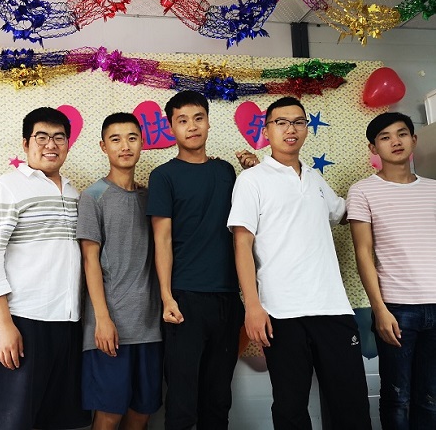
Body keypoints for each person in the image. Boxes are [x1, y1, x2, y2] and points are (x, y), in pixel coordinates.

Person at [227, 96, 372, 429]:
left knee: (351, 407)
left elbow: (344, 213)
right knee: (290, 408)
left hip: (333, 309)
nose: (290, 129)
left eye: (298, 122)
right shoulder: (251, 180)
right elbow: (242, 244)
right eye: (281, 122)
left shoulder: (315, 179)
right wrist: (252, 306)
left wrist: (376, 188)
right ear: (267, 130)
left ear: (306, 129)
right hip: (282, 313)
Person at [0, 107, 91, 430]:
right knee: (9, 422)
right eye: (42, 137)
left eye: (59, 137)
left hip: (67, 323)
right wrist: (4, 325)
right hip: (21, 321)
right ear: (26, 143)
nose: (51, 145)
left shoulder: (74, 193)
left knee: (55, 421)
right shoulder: (7, 187)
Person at [147, 90, 255, 430]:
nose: (192, 126)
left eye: (198, 118)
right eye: (182, 120)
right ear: (171, 128)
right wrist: (167, 297)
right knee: (182, 402)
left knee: (218, 400)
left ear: (208, 122)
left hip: (227, 299)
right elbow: (162, 240)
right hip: (185, 300)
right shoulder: (163, 176)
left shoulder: (226, 171)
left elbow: (246, 226)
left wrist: (255, 172)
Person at [347, 112, 436, 429]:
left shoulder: (433, 189)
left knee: (431, 397)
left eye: (402, 134)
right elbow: (363, 252)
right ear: (373, 148)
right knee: (397, 398)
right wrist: (379, 309)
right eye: (385, 137)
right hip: (396, 309)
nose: (395, 141)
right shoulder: (362, 191)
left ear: (414, 139)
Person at [77, 113, 162, 430]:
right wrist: (102, 319)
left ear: (142, 142)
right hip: (109, 326)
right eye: (115, 139)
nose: (125, 146)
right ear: (103, 146)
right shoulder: (93, 196)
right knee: (109, 414)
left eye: (132, 138)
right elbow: (90, 261)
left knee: (142, 413)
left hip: (150, 327)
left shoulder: (151, 197)